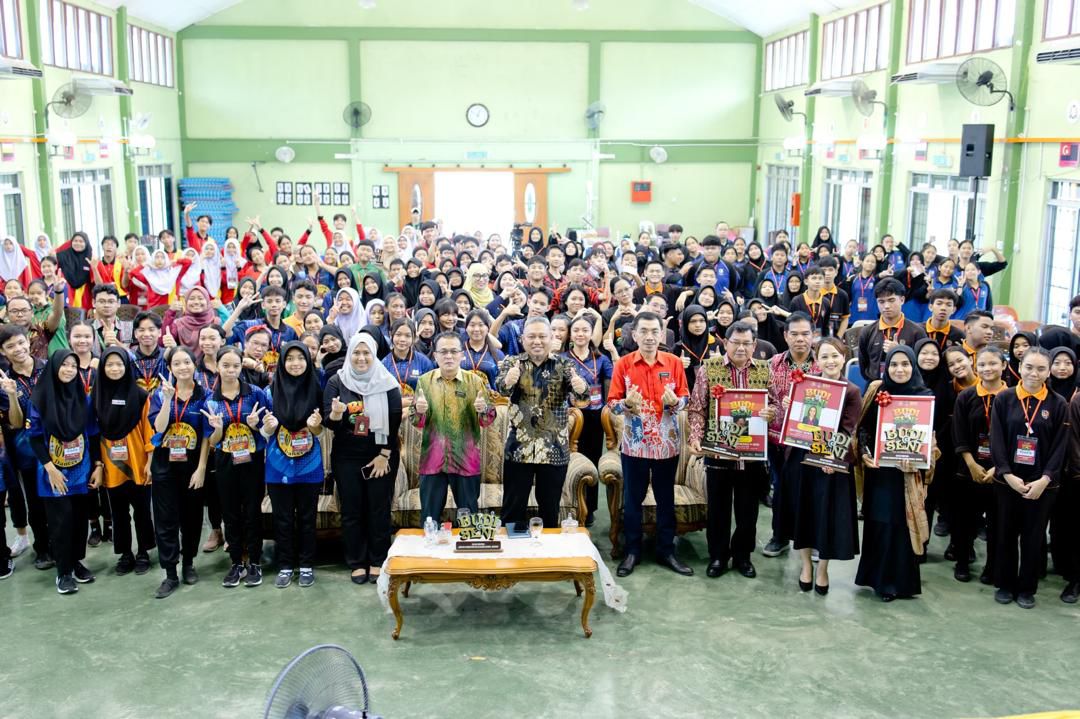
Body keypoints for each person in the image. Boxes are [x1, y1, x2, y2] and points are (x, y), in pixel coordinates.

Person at [607, 311, 691, 577]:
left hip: (667, 444)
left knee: (666, 498)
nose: (649, 337)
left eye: (655, 331)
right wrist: (625, 404)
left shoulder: (674, 362)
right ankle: (632, 551)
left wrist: (676, 403)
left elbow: (685, 397)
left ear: (662, 334)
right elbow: (612, 404)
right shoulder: (624, 364)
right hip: (635, 444)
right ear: (634, 334)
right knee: (633, 499)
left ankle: (666, 550)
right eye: (643, 331)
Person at [687, 320, 772, 579]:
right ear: (726, 342)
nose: (741, 348)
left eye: (747, 343)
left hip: (752, 455)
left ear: (754, 345)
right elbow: (697, 408)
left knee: (748, 510)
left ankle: (743, 556)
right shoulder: (709, 369)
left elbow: (777, 404)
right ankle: (718, 556)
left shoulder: (765, 370)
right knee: (718, 508)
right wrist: (696, 436)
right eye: (736, 342)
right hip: (718, 451)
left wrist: (772, 412)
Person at [855, 345, 935, 602]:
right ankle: (880, 581)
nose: (899, 370)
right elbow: (863, 428)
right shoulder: (877, 391)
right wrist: (865, 452)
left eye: (905, 364)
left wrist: (919, 458)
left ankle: (901, 582)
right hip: (880, 472)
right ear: (886, 367)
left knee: (902, 526)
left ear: (913, 366)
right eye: (894, 364)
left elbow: (930, 438)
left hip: (907, 475)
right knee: (881, 522)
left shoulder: (924, 396)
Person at [781, 337, 861, 594]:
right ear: (817, 360)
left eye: (835, 355)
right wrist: (790, 406)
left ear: (844, 357)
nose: (830, 361)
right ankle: (806, 565)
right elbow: (797, 422)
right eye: (824, 356)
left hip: (830, 462)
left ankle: (823, 568)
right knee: (802, 512)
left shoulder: (851, 391)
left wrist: (832, 458)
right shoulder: (805, 383)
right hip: (802, 457)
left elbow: (847, 430)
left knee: (826, 516)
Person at [990, 347, 1067, 609]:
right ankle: (1005, 584)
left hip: (1041, 485)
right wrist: (1006, 473)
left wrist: (1045, 479)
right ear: (1019, 368)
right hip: (1008, 481)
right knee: (1006, 533)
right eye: (1029, 367)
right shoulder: (1005, 398)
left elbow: (1060, 446)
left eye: (1041, 368)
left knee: (1033, 538)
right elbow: (996, 439)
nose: (1034, 373)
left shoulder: (1058, 404)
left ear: (1048, 372)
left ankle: (1026, 588)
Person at [495, 316, 589, 531]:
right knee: (512, 509)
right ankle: (513, 549)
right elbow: (501, 390)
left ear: (551, 338)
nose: (537, 341)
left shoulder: (564, 364)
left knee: (549, 510)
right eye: (531, 336)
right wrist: (508, 380)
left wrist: (581, 386)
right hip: (519, 449)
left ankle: (548, 549)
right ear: (523, 339)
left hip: (554, 449)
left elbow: (582, 397)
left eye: (542, 336)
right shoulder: (512, 363)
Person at [324, 332, 402, 586]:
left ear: (374, 354)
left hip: (381, 454)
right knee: (352, 509)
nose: (361, 358)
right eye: (356, 352)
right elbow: (329, 423)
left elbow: (394, 423)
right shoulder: (337, 381)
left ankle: (378, 559)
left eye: (366, 352)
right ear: (349, 354)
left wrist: (384, 455)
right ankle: (357, 561)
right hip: (346, 456)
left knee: (378, 509)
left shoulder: (387, 382)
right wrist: (336, 415)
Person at [28, 349, 100, 594]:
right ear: (53, 367)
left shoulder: (83, 398)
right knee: (61, 521)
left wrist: (98, 465)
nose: (69, 370)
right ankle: (63, 572)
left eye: (73, 366)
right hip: (52, 471)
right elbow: (35, 438)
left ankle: (76, 562)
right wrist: (50, 469)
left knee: (80, 518)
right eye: (64, 365)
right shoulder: (39, 399)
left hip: (81, 468)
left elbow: (93, 434)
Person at [203, 346, 270, 589]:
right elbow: (212, 441)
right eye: (226, 365)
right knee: (230, 512)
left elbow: (268, 429)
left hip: (253, 460)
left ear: (242, 367)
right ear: (217, 367)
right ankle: (235, 562)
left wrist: (254, 425)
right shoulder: (211, 400)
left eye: (235, 366)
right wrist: (218, 429)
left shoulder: (255, 393)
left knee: (252, 511)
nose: (231, 370)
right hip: (225, 461)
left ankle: (255, 561)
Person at [412, 332, 496, 524]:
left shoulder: (475, 382)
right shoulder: (424, 381)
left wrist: (483, 410)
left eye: (453, 351)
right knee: (429, 520)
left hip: (465, 460)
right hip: (433, 460)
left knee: (469, 521)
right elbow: (417, 422)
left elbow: (487, 421)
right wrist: (419, 411)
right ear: (435, 355)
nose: (448, 356)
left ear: (462, 355)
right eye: (443, 352)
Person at [148, 347, 212, 599]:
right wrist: (166, 400)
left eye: (187, 362)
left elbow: (207, 435)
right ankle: (170, 573)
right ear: (170, 368)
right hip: (165, 466)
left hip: (192, 466)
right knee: (165, 520)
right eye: (177, 363)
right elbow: (158, 427)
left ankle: (188, 563)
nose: (183, 367)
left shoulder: (205, 395)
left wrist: (202, 468)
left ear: (194, 365)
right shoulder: (160, 394)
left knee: (192, 518)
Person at [261, 342, 325, 589]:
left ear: (308, 361)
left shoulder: (317, 390)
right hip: (278, 465)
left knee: (308, 518)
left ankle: (307, 565)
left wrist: (315, 425)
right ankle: (285, 565)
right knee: (283, 518)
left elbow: (319, 431)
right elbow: (265, 431)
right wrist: (267, 427)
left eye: (301, 358)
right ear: (282, 362)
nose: (295, 363)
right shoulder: (269, 392)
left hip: (309, 464)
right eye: (290, 358)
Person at [92, 347, 154, 576]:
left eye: (119, 364)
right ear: (102, 368)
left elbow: (149, 431)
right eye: (109, 364)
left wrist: (150, 461)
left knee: (142, 510)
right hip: (111, 464)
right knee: (118, 513)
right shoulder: (96, 397)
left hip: (138, 462)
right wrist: (98, 465)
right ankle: (125, 554)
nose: (115, 368)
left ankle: (143, 553)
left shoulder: (140, 395)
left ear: (127, 366)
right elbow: (92, 434)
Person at [763, 313, 819, 558]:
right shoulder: (772, 364)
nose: (800, 339)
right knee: (780, 490)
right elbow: (765, 399)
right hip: (778, 439)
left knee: (812, 491)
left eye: (805, 334)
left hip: (811, 442)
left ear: (813, 335)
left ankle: (813, 540)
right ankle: (780, 536)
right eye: (794, 334)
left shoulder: (821, 365)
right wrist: (772, 410)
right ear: (785, 336)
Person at [951, 346, 1006, 585]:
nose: (987, 368)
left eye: (993, 363)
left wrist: (999, 468)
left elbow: (1015, 438)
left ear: (1004, 366)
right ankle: (962, 562)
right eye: (982, 364)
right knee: (964, 520)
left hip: (1001, 472)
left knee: (997, 524)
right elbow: (959, 433)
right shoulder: (966, 397)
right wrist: (971, 463)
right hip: (969, 469)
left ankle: (992, 566)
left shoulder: (1012, 397)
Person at [0, 324, 51, 568]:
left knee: (60, 499)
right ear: (3, 351)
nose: (18, 349)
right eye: (10, 346)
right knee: (35, 500)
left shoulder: (48, 368)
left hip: (56, 444)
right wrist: (11, 394)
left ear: (27, 341)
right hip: (27, 450)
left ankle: (63, 544)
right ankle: (42, 548)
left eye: (21, 342)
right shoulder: (5, 381)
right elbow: (16, 422)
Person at [857, 278, 927, 382]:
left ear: (902, 300)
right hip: (876, 386)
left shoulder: (917, 332)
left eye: (891, 300)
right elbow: (864, 367)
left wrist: (899, 350)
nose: (886, 306)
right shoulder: (867, 332)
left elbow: (922, 368)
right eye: (881, 301)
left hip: (907, 387)